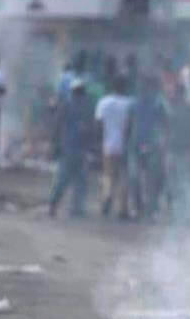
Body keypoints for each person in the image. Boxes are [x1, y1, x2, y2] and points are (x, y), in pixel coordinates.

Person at [48, 79, 94, 218]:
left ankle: (61, 205)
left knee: (67, 179)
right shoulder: (83, 107)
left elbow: (57, 125)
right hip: (74, 148)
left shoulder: (69, 105)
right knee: (75, 179)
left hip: (71, 147)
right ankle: (69, 207)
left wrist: (54, 143)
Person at [128, 76, 168, 220]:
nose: (144, 89)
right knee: (134, 179)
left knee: (152, 179)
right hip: (135, 144)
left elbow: (165, 124)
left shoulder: (158, 104)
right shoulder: (134, 103)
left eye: (146, 86)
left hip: (153, 145)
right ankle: (137, 208)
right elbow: (129, 122)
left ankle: (151, 210)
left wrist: (163, 142)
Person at [95, 76, 133, 220]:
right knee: (124, 177)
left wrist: (99, 142)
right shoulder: (129, 103)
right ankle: (122, 208)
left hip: (108, 144)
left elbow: (98, 124)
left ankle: (107, 200)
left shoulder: (104, 102)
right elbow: (131, 125)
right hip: (124, 145)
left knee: (108, 176)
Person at [165, 83, 190, 224]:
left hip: (184, 152)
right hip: (173, 151)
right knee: (174, 185)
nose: (172, 95)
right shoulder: (170, 109)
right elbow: (166, 130)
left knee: (184, 184)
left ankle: (188, 215)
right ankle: (178, 215)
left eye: (174, 92)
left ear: (180, 94)